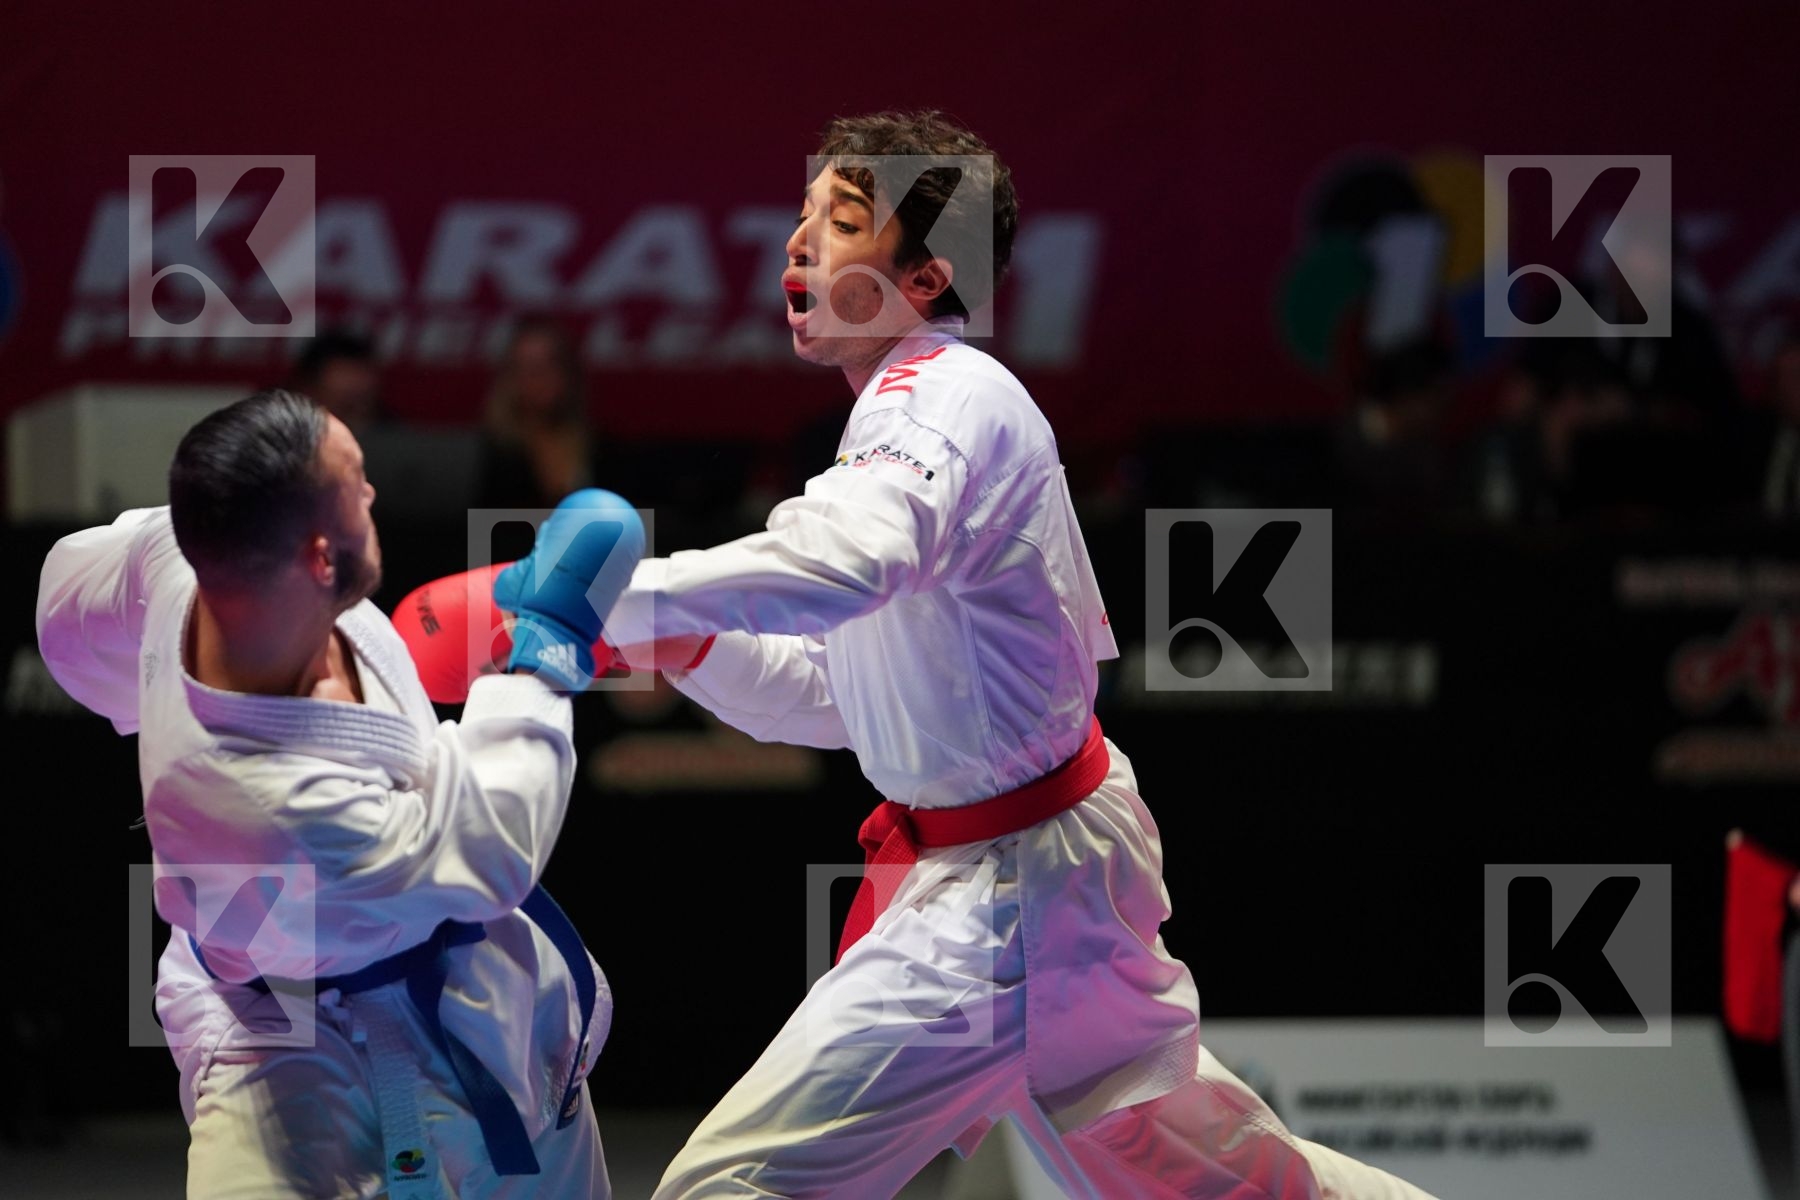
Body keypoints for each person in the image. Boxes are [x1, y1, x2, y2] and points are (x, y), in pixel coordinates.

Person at [597, 111, 1438, 1198]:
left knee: (730, 1188)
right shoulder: (905, 412)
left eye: (842, 223)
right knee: (1236, 1189)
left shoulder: (942, 399)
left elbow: (843, 560)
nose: (798, 245)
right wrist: (680, 632)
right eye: (802, 217)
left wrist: (612, 593)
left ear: (929, 273)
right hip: (1048, 869)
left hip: (1006, 898)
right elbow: (850, 700)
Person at [35, 389, 640, 1198]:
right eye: (356, 482)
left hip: (468, 992)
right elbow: (491, 848)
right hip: (281, 1042)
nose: (373, 493)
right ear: (321, 556)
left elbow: (65, 609)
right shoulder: (266, 803)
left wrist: (140, 698)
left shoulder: (182, 554)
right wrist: (542, 652)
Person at [475, 314, 602, 510]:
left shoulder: (603, 451)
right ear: (508, 377)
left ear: (569, 371)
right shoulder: (492, 457)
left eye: (548, 363)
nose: (537, 377)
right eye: (526, 367)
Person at [289, 328, 384, 435]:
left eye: (362, 399)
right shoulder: (282, 438)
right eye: (344, 403)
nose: (356, 410)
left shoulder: (396, 436)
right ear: (309, 389)